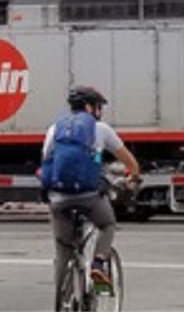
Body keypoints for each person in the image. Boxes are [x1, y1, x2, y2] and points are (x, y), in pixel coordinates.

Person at [41, 85, 141, 295]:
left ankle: (62, 296)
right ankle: (98, 264)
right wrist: (132, 178)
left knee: (63, 248)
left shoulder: (54, 129)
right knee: (107, 224)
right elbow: (131, 164)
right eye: (98, 107)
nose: (100, 111)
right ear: (89, 107)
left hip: (58, 198)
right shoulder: (101, 129)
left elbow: (46, 162)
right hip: (89, 196)